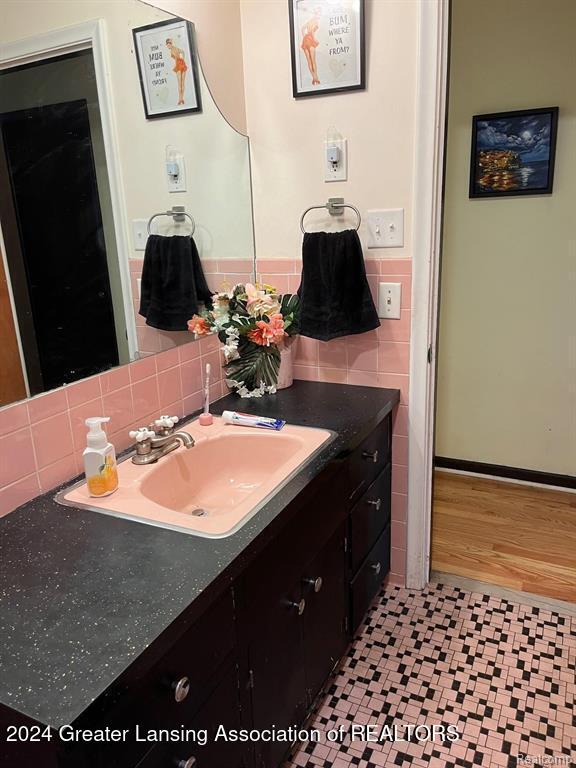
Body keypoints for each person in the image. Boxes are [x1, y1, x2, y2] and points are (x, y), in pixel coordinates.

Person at [301, 10, 321, 86]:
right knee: (313, 61)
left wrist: (304, 36)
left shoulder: (309, 21)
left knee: (309, 61)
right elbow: (312, 31)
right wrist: (314, 39)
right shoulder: (316, 21)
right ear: (316, 14)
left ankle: (314, 78)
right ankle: (316, 78)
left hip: (305, 40)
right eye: (319, 14)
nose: (319, 16)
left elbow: (302, 28)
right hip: (310, 39)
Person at [166, 38, 187, 105]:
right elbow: (182, 51)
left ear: (169, 44)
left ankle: (180, 99)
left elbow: (175, 59)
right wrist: (183, 59)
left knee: (179, 83)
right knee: (182, 82)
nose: (168, 46)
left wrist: (176, 65)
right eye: (167, 45)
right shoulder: (176, 48)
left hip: (178, 64)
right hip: (182, 63)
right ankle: (181, 98)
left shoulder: (172, 50)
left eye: (168, 45)